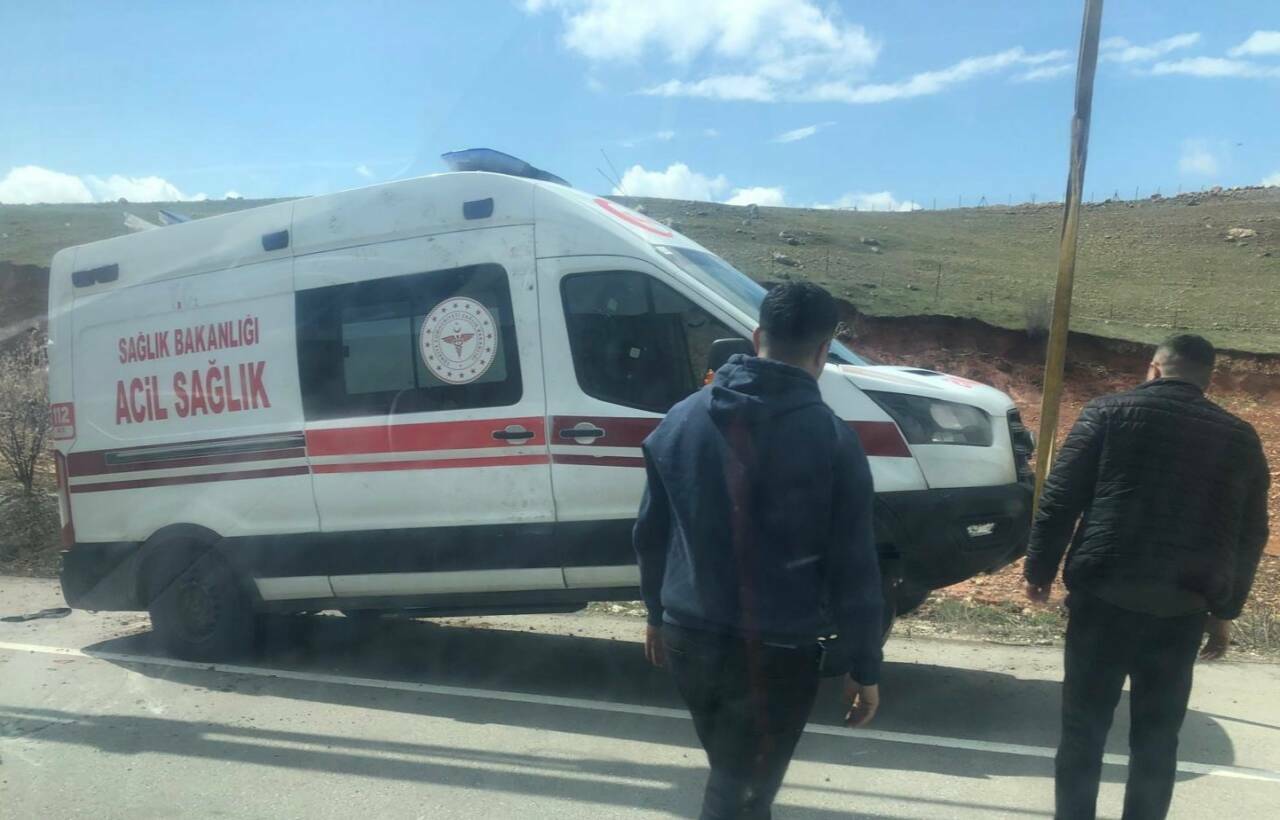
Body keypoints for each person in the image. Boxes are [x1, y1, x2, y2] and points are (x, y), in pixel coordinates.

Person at [634, 282, 884, 820]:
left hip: (688, 638)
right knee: (740, 794)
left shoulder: (679, 419)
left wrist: (655, 613)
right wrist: (865, 665)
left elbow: (651, 532)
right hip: (776, 652)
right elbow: (855, 567)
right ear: (824, 351)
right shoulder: (834, 441)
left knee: (736, 779)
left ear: (755, 337)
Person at [1025, 333, 1271, 820]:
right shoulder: (1239, 437)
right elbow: (1251, 534)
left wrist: (1040, 570)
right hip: (1181, 610)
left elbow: (1060, 497)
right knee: (1157, 740)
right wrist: (1224, 611)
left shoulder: (1106, 414)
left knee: (1083, 732)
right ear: (1208, 380)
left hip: (1104, 599)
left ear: (1154, 369)